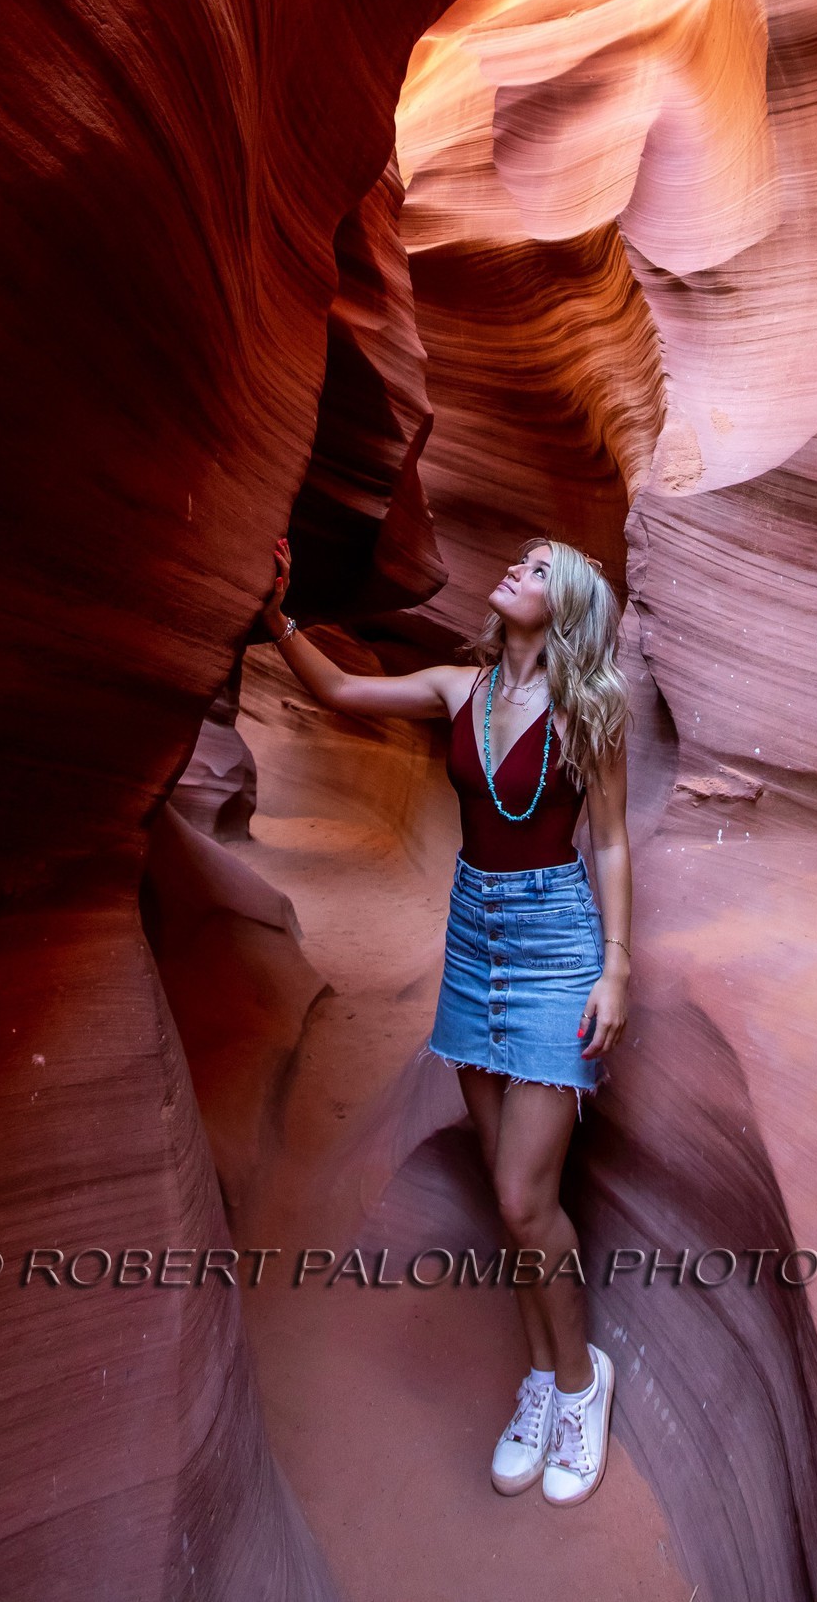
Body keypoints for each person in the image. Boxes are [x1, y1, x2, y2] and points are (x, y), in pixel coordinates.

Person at [261, 531, 632, 1506]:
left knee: (522, 1196)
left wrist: (619, 965)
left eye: (541, 568)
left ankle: (584, 1384)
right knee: (501, 1184)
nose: (518, 565)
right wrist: (277, 619)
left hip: (557, 942)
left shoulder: (591, 709)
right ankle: (543, 1377)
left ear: (570, 609)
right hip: (474, 939)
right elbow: (342, 692)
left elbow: (615, 840)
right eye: (520, 556)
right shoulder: (455, 687)